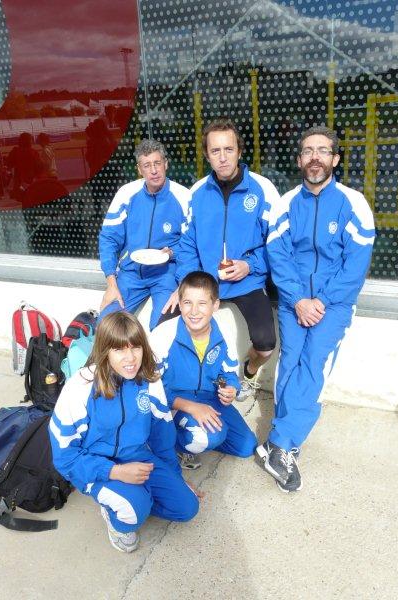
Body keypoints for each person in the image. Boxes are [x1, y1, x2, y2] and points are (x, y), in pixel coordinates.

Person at [257, 125, 376, 493]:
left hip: (333, 305)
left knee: (313, 364)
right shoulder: (285, 204)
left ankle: (279, 443)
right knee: (289, 363)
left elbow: (355, 265)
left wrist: (320, 302)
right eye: (308, 151)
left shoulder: (354, 204)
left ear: (335, 159)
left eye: (323, 151)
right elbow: (278, 256)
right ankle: (285, 441)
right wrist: (299, 300)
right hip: (294, 302)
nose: (315, 157)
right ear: (299, 160)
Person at [49, 311, 199, 553]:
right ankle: (118, 515)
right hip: (96, 465)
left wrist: (176, 478)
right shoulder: (80, 386)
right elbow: (64, 458)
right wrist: (115, 472)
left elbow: (162, 438)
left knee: (187, 507)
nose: (131, 358)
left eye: (136, 347)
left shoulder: (149, 379)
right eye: (119, 349)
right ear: (104, 351)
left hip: (137, 456)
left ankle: (137, 497)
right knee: (133, 511)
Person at [163, 118, 280, 398]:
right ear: (207, 155)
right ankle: (174, 386)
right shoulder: (198, 192)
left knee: (266, 344)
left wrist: (249, 265)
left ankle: (247, 372)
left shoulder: (263, 189)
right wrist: (187, 284)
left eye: (229, 149)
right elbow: (187, 244)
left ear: (239, 151)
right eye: (215, 151)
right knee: (163, 326)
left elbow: (276, 245)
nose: (223, 157)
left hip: (247, 282)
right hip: (205, 281)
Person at [151, 271, 257, 470]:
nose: (194, 311)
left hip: (210, 398)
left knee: (246, 446)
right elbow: (150, 389)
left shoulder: (223, 332)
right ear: (179, 303)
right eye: (187, 303)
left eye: (202, 303)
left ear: (215, 305)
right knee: (207, 437)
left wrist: (231, 389)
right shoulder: (163, 335)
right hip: (174, 401)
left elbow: (228, 374)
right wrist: (191, 407)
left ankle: (201, 433)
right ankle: (170, 443)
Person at [99, 139, 190, 330]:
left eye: (157, 163)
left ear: (166, 164)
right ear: (139, 169)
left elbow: (192, 244)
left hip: (166, 274)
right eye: (147, 165)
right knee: (106, 326)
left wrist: (172, 253)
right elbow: (108, 238)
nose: (154, 170)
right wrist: (111, 283)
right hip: (131, 273)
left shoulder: (183, 196)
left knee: (161, 328)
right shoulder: (126, 193)